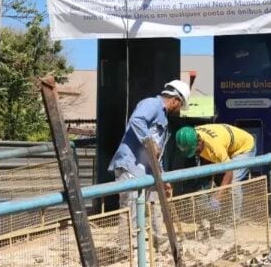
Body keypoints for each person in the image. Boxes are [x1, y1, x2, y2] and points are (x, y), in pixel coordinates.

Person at [108, 79, 190, 230]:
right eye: (180, 105)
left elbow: (155, 155)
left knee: (156, 209)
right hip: (131, 167)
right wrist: (150, 142)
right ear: (175, 100)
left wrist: (163, 177)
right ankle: (128, 252)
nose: (179, 110)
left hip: (147, 171)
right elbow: (137, 120)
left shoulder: (163, 119)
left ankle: (162, 247)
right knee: (130, 213)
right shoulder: (152, 104)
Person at [175, 123, 256, 214]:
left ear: (199, 141)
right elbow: (207, 161)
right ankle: (218, 214)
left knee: (233, 182)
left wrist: (217, 198)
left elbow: (229, 171)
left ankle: (233, 222)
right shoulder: (193, 136)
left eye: (195, 150)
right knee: (213, 182)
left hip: (244, 148)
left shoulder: (214, 146)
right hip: (227, 145)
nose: (195, 153)